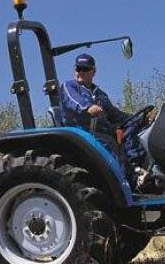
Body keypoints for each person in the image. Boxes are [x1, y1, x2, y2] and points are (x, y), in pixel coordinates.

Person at [59, 54, 147, 182]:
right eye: (78, 69)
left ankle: (137, 167)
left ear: (93, 72)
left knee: (131, 127)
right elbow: (73, 101)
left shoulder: (100, 94)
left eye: (85, 69)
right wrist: (87, 107)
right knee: (110, 144)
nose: (80, 72)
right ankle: (126, 182)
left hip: (104, 131)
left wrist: (138, 118)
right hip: (84, 134)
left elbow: (115, 114)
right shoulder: (69, 86)